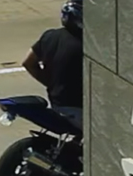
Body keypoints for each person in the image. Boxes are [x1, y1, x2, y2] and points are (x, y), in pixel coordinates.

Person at [22, 0, 83, 132]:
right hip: (79, 109)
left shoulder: (50, 36)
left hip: (56, 103)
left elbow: (28, 62)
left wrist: (50, 83)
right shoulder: (86, 45)